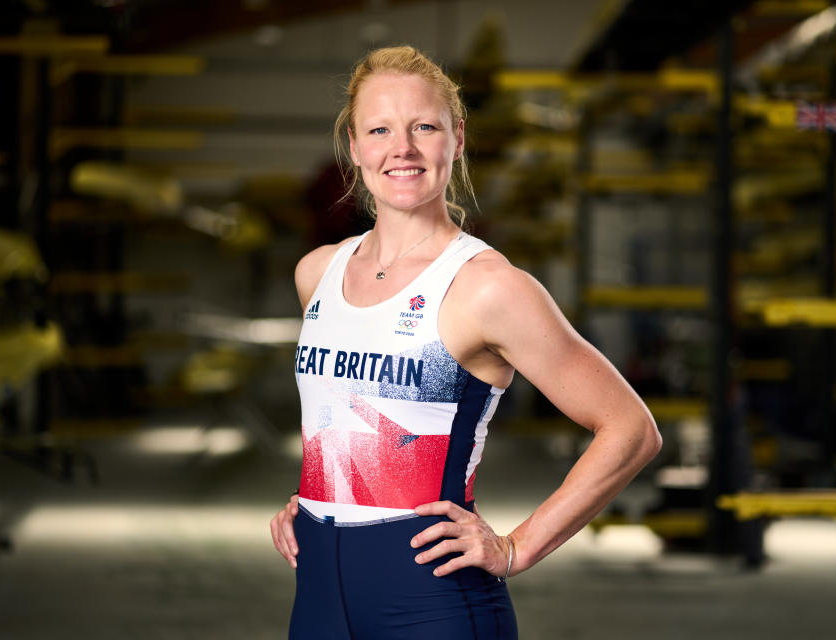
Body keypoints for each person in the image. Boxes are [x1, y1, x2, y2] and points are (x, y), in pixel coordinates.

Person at [270, 45, 661, 640]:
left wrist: (516, 547)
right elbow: (340, 412)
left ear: (455, 137)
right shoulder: (316, 273)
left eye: (424, 127)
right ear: (354, 146)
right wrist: (318, 501)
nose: (402, 148)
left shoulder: (488, 287)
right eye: (380, 129)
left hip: (431, 596)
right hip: (318, 591)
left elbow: (631, 429)